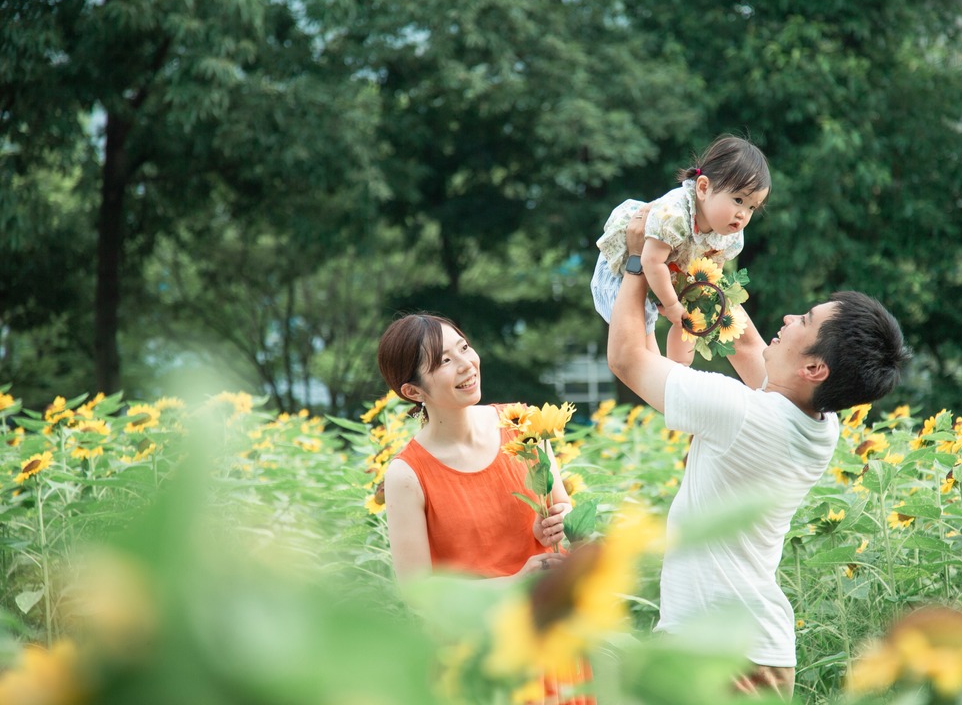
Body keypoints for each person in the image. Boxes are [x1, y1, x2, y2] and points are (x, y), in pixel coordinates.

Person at [606, 212, 910, 698]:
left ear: (814, 367)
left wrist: (640, 264)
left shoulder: (741, 414)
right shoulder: (819, 423)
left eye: (804, 321)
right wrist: (697, 262)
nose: (787, 319)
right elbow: (745, 340)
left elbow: (626, 359)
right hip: (752, 651)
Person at [377, 313, 573, 583]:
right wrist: (516, 582)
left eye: (464, 348)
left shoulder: (522, 423)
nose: (466, 364)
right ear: (413, 392)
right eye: (445, 361)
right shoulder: (408, 474)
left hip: (555, 609)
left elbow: (562, 506)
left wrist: (558, 521)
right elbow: (418, 591)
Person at [592, 135, 770, 366]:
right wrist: (672, 304)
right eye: (738, 200)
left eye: (752, 207)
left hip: (667, 270)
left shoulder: (730, 233)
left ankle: (679, 371)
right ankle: (660, 379)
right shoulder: (674, 214)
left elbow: (710, 270)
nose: (743, 214)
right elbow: (651, 261)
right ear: (704, 187)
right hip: (626, 269)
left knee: (691, 317)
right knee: (641, 336)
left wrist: (693, 300)